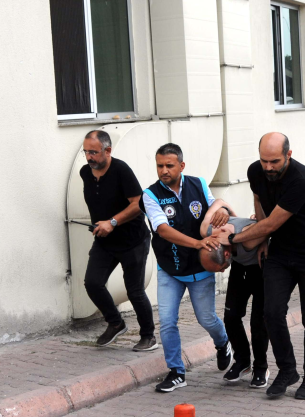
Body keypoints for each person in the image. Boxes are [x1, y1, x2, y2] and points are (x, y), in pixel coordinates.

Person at [217, 132, 305, 400]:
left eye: (274, 161)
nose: (268, 167)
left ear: (288, 155)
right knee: (270, 313)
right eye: (264, 160)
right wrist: (261, 241)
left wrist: (234, 238)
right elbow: (259, 203)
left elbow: (272, 222)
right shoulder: (255, 171)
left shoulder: (300, 179)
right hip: (280, 252)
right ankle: (287, 370)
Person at [140, 143, 232, 393]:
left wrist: (221, 211)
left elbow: (215, 207)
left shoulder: (198, 184)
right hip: (170, 270)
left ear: (181, 165)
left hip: (201, 270)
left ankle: (223, 343)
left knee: (207, 319)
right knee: (168, 321)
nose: (164, 170)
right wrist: (197, 242)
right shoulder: (150, 195)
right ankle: (176, 371)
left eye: (169, 165)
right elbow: (162, 230)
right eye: (160, 165)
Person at [80, 130, 157, 351]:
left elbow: (138, 203)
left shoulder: (121, 170)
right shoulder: (85, 173)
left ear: (108, 150)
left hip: (132, 240)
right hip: (104, 241)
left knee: (134, 290)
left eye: (93, 152)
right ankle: (116, 323)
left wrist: (112, 222)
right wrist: (100, 224)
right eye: (86, 152)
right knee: (93, 283)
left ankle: (148, 336)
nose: (89, 157)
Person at [198, 202, 271, 389]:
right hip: (241, 266)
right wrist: (223, 210)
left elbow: (268, 228)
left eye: (221, 268)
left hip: (261, 265)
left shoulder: (247, 239)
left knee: (258, 321)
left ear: (228, 253)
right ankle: (242, 361)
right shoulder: (206, 231)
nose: (222, 272)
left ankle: (261, 367)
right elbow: (219, 201)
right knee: (231, 316)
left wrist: (262, 241)